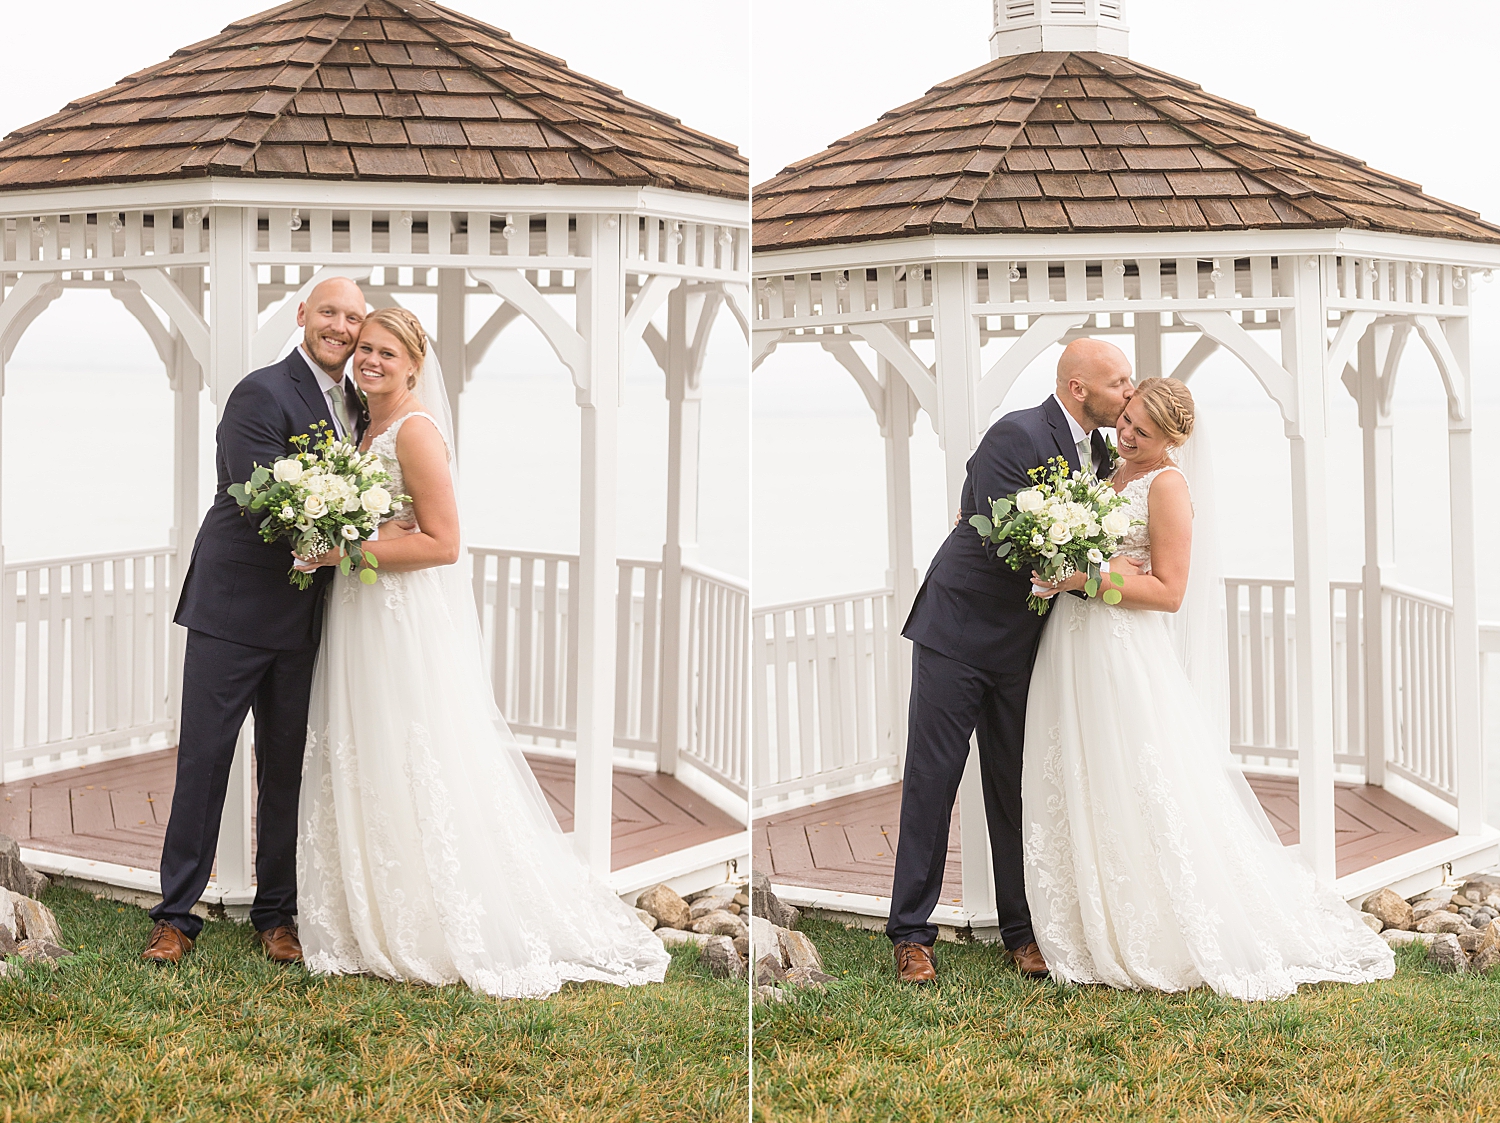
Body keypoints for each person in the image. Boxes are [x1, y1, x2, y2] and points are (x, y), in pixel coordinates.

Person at [292, 308, 670, 998]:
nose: (370, 359)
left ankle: (438, 916)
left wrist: (347, 548)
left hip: (397, 615)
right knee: (367, 746)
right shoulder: (364, 424)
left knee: (417, 750)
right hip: (359, 611)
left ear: (413, 363)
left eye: (385, 351)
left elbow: (442, 542)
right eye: (364, 350)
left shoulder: (414, 431)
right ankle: (370, 903)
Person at [1022, 377, 1394, 999]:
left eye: (1144, 431)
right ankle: (1089, 915)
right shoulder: (1108, 469)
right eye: (1129, 420)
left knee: (1137, 777)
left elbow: (1168, 593)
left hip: (1120, 649)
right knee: (1079, 771)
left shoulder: (1166, 486)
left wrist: (1087, 579)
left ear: (1175, 440)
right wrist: (1062, 568)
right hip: (1071, 645)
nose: (1128, 434)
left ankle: (1157, 924)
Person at [888, 338, 1135, 984]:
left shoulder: (1104, 453)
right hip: (958, 631)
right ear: (1079, 388)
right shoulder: (1014, 434)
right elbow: (1001, 536)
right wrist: (1087, 569)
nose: (1129, 393)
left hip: (1027, 645)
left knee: (1016, 789)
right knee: (933, 781)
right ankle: (911, 934)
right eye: (1119, 383)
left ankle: (1022, 931)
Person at [143, 277, 371, 965]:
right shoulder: (261, 391)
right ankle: (176, 915)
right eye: (328, 311)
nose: (340, 326)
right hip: (234, 609)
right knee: (205, 761)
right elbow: (259, 499)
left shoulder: (359, 406)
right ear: (303, 315)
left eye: (353, 317)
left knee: (286, 770)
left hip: (304, 619)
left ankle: (277, 915)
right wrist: (342, 526)